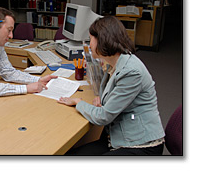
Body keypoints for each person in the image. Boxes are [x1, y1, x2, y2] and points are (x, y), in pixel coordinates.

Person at [58, 16, 165, 155]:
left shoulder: (131, 72)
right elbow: (108, 99)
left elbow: (103, 116)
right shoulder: (115, 63)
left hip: (140, 144)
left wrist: (78, 102)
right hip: (117, 135)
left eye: (91, 39)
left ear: (102, 40)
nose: (89, 45)